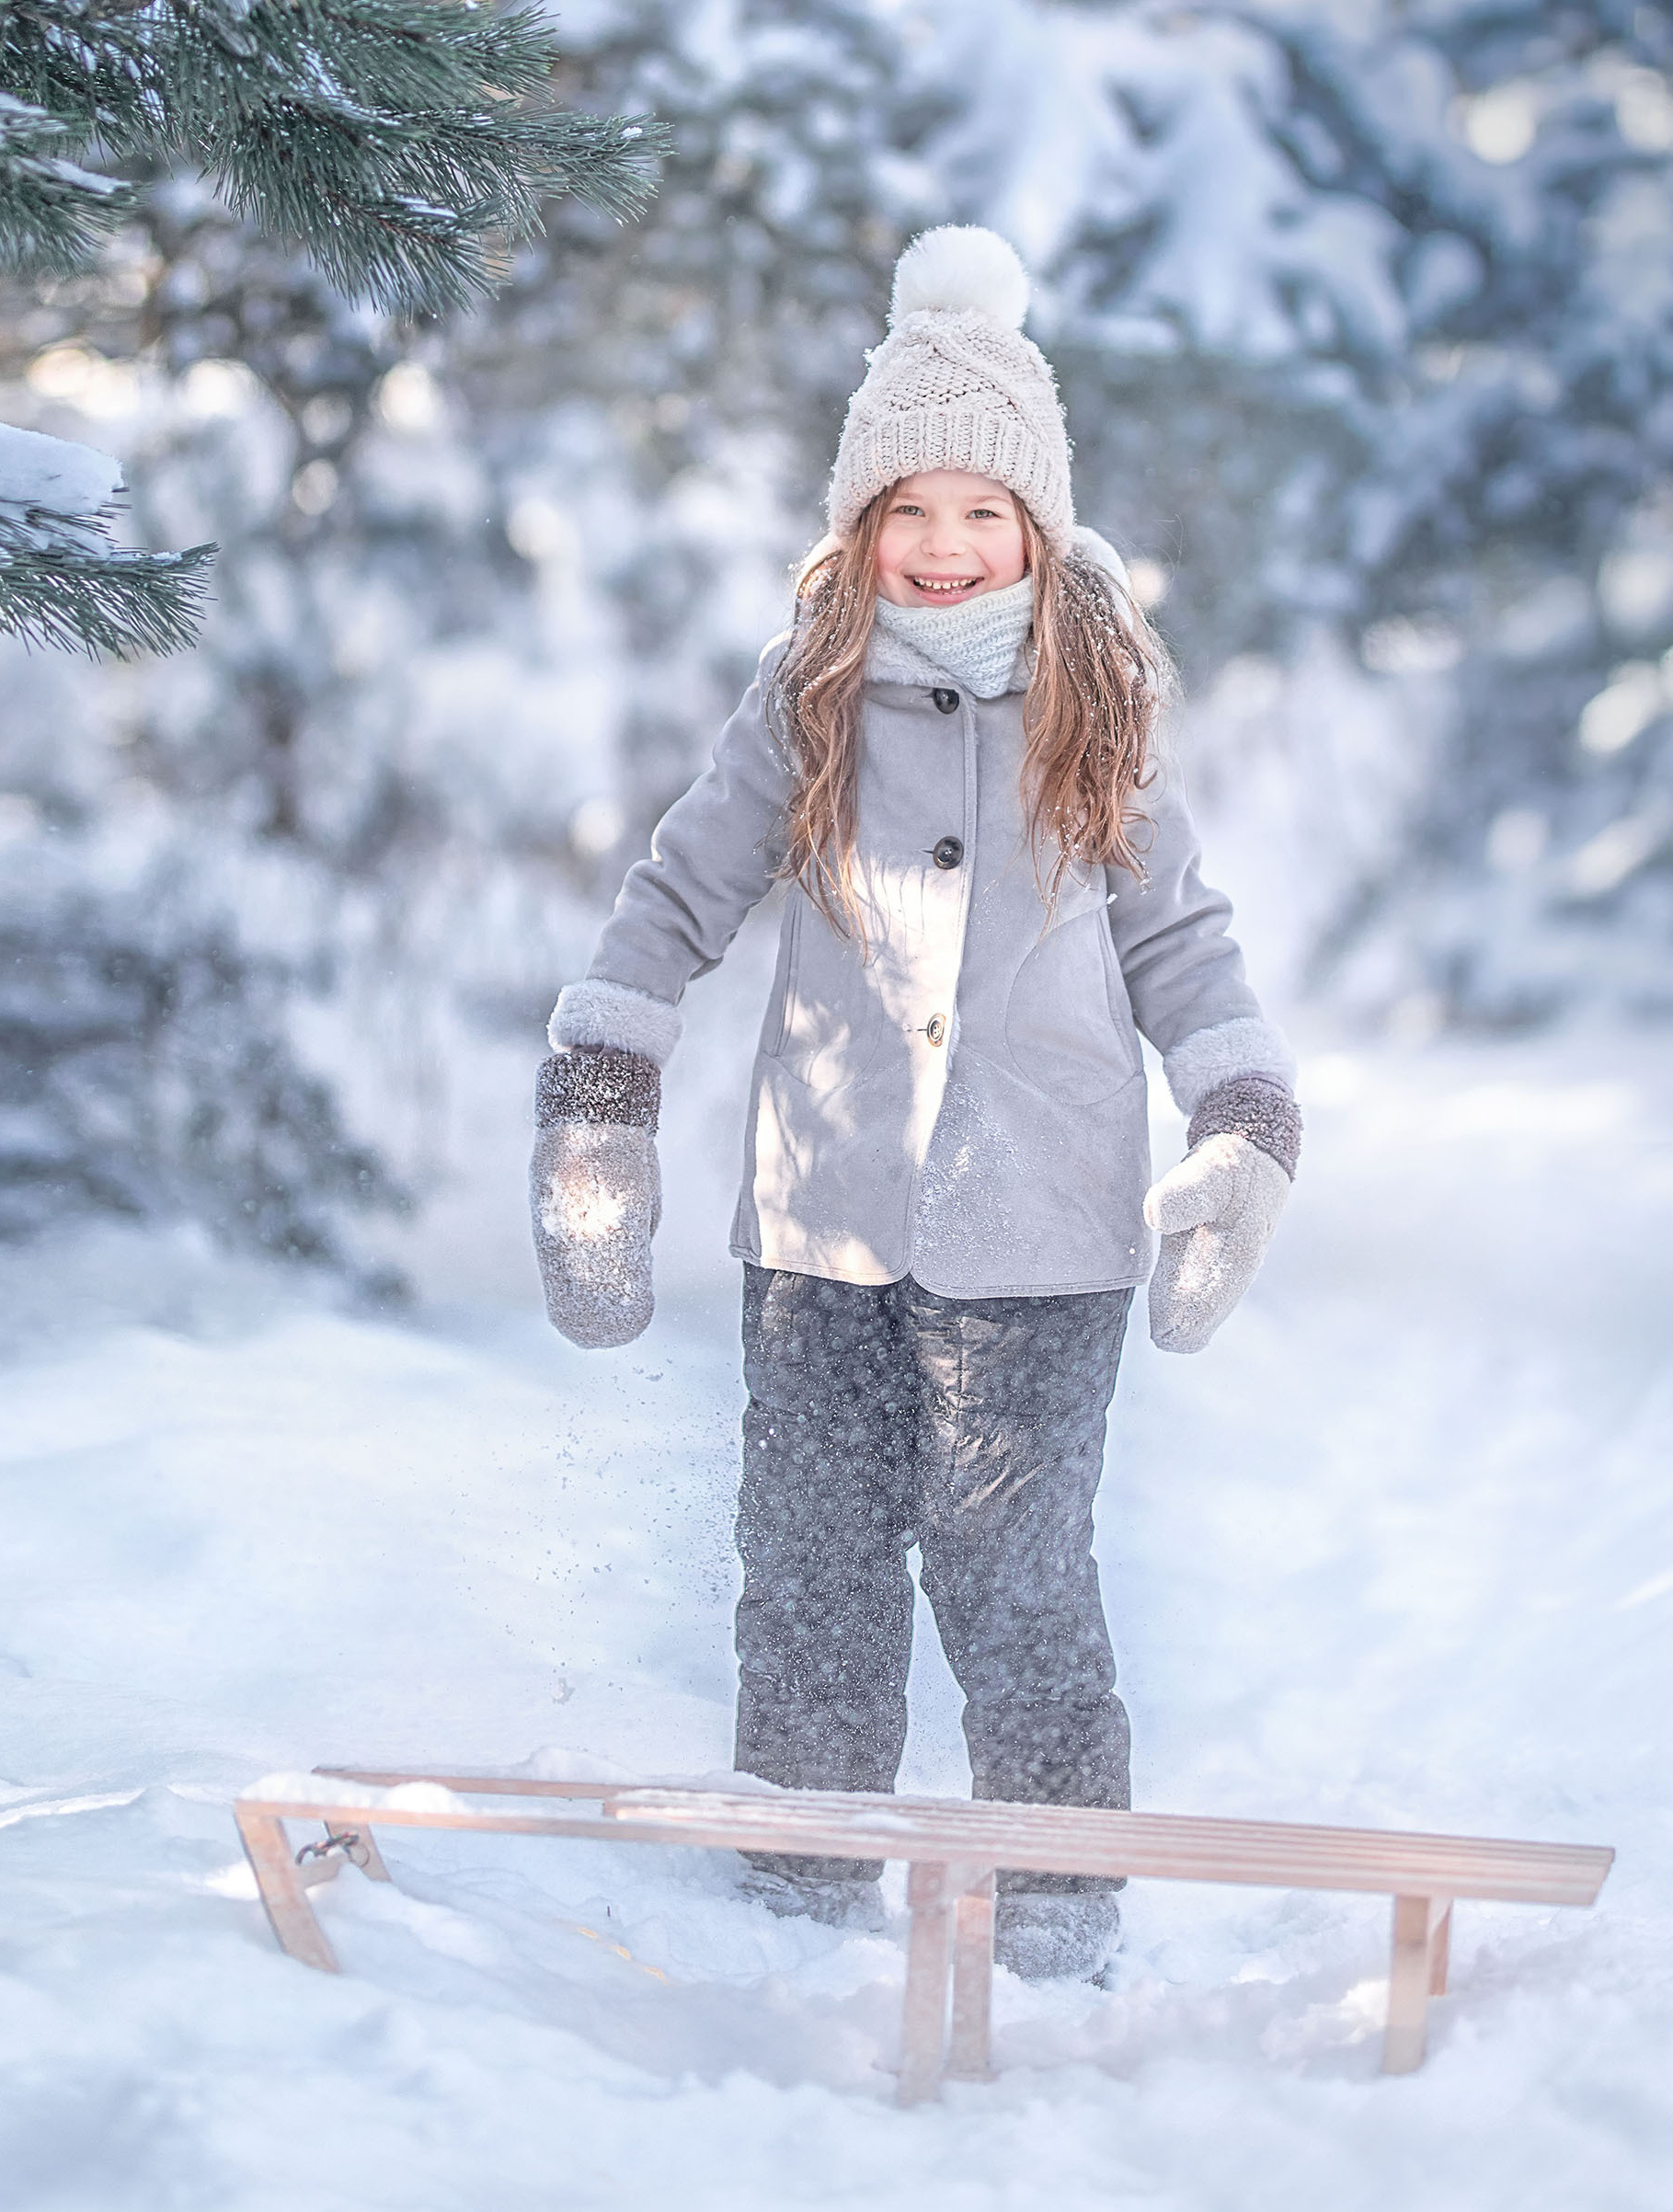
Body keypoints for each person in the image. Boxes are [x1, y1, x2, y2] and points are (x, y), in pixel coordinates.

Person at [529, 225, 1301, 1981]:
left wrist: (1245, 1129)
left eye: (984, 513)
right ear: (859, 524)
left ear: (1038, 525)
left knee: (1012, 1579)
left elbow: (1184, 946)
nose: (944, 549)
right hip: (822, 1230)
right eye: (908, 511)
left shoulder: (1097, 710)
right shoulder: (807, 698)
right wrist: (600, 1104)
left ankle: (1059, 1931)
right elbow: (673, 900)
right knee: (805, 1579)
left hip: (1043, 1238)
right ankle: (790, 1917)